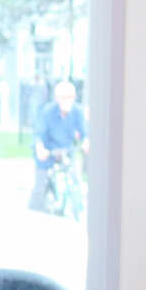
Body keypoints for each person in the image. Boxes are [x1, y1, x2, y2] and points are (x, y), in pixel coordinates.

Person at [29, 78, 86, 213]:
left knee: (75, 176)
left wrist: (86, 142)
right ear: (57, 98)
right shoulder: (48, 112)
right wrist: (40, 148)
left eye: (70, 97)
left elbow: (84, 132)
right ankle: (38, 204)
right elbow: (39, 133)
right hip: (49, 150)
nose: (67, 100)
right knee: (41, 182)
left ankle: (77, 204)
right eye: (64, 97)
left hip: (65, 150)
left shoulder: (77, 111)